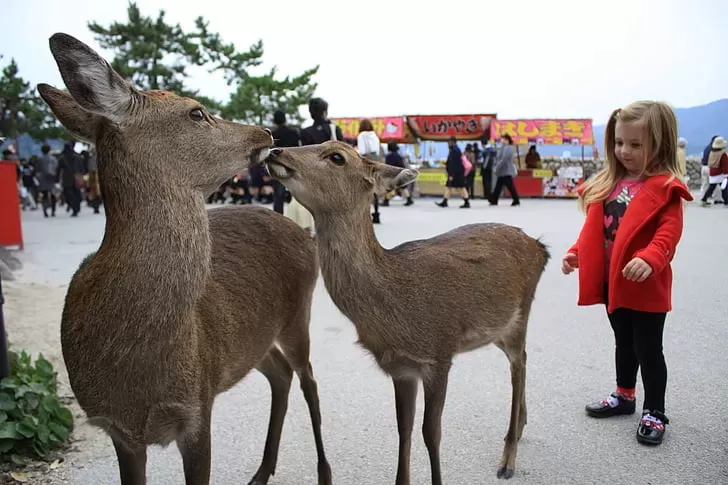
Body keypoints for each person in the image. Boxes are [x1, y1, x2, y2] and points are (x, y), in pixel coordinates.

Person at [561, 101, 693, 446]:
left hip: (645, 284)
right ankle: (625, 395)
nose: (625, 151)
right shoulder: (610, 184)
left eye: (636, 145)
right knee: (623, 342)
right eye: (620, 143)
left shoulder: (665, 187)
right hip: (613, 283)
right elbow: (594, 230)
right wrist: (577, 253)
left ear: (660, 144)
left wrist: (652, 256)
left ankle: (655, 410)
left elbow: (669, 231)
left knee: (649, 348)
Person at [271, 109, 300, 214]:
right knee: (296, 195)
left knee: (278, 196)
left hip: (278, 167)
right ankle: (297, 218)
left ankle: (278, 219)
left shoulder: (273, 134)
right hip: (292, 165)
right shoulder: (294, 133)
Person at [357, 119, 383, 223]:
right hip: (376, 161)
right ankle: (376, 214)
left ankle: (365, 215)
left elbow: (362, 151)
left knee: (364, 189)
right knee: (374, 188)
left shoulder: (362, 135)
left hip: (366, 161)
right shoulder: (375, 136)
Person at [436, 136, 470, 208]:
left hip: (456, 173)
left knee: (460, 187)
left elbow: (454, 164)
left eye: (449, 142)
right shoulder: (454, 150)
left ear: (453, 142)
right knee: (449, 186)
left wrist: (451, 174)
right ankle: (445, 201)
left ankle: (466, 202)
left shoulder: (455, 151)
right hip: (456, 172)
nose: (448, 144)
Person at [489, 134, 521, 206]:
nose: (501, 140)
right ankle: (494, 199)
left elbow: (504, 159)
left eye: (502, 139)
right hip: (503, 170)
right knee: (499, 185)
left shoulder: (508, 148)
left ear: (506, 140)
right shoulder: (504, 147)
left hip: (506, 170)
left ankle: (516, 199)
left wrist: (497, 167)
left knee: (509, 186)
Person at [699, 135, 728, 207]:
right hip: (720, 173)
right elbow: (725, 165)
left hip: (712, 172)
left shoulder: (712, 152)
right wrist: (726, 174)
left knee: (711, 187)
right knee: (724, 188)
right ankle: (726, 201)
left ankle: (704, 199)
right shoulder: (722, 154)